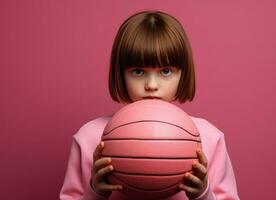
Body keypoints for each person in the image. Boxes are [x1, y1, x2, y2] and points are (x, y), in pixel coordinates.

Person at [60, 10, 240, 200]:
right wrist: (95, 192)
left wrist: (203, 194)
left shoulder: (210, 138)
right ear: (120, 74)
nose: (152, 86)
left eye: (166, 71)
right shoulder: (89, 138)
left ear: (183, 74)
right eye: (138, 71)